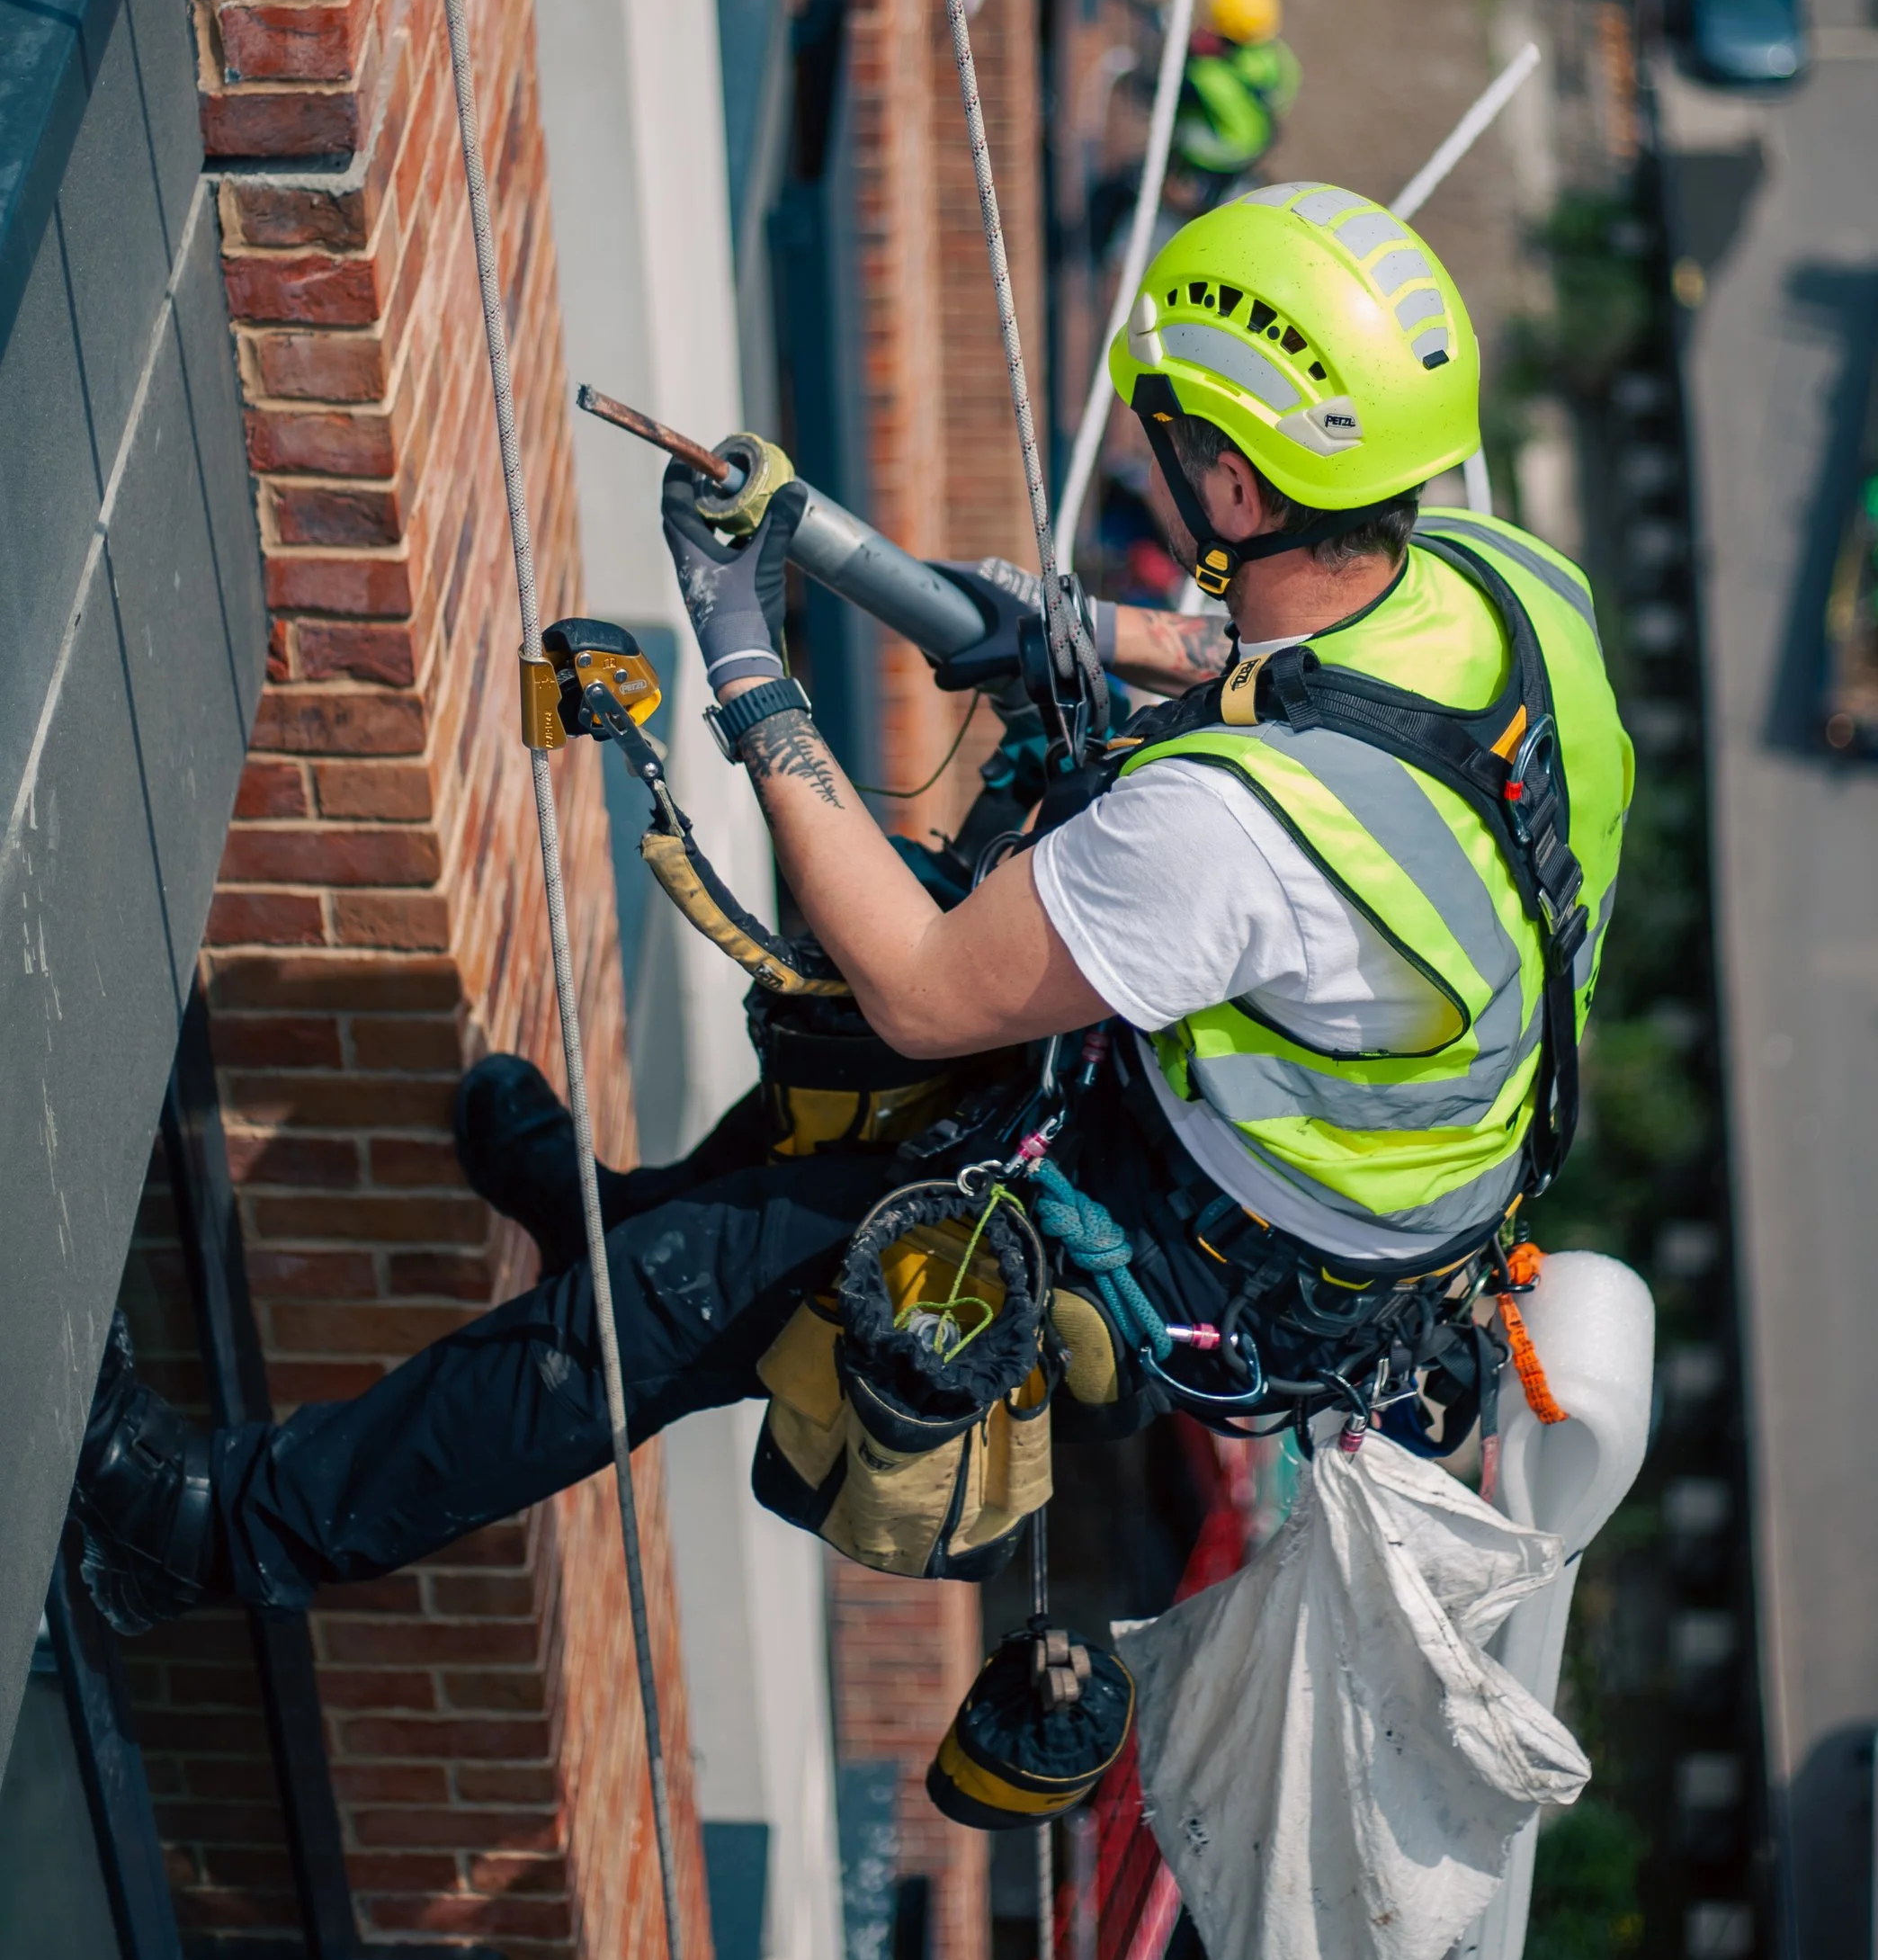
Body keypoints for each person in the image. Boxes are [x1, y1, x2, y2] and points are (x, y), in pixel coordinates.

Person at [71, 185, 1632, 1632]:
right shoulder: (1509, 587)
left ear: (1231, 478)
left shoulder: (1229, 834)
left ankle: (217, 1534)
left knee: (703, 1284)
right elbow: (1295, 671)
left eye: (1168, 437)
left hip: (1233, 1249)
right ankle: (623, 1226)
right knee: (812, 1110)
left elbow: (923, 988)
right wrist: (1083, 633)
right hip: (1384, 1188)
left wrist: (740, 651)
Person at [1167, 0, 1301, 201]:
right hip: (1257, 139)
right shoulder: (1275, 56)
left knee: (1185, 137)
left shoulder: (1207, 77)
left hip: (1224, 150)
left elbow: (1159, 93)